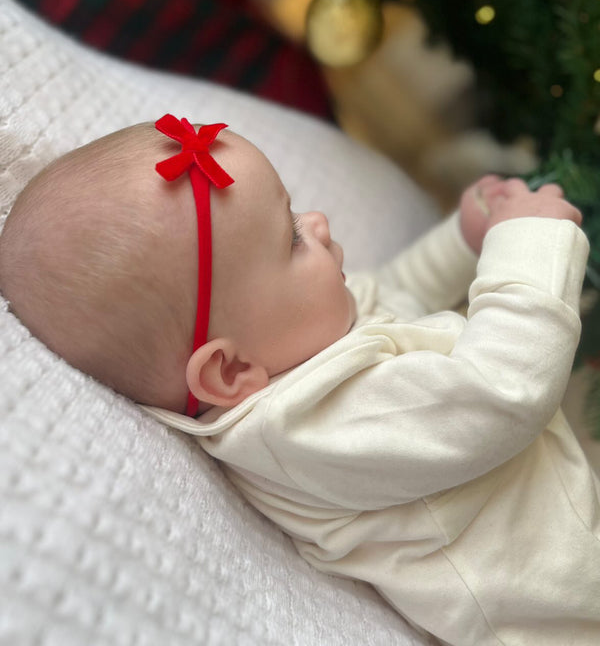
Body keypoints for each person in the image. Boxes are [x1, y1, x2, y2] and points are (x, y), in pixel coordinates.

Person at [0, 116, 598, 645]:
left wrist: (458, 243)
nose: (315, 221)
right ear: (229, 370)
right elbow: (497, 393)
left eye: (294, 209)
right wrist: (530, 245)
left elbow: (391, 302)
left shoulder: (298, 345)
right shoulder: (305, 429)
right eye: (289, 237)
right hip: (565, 604)